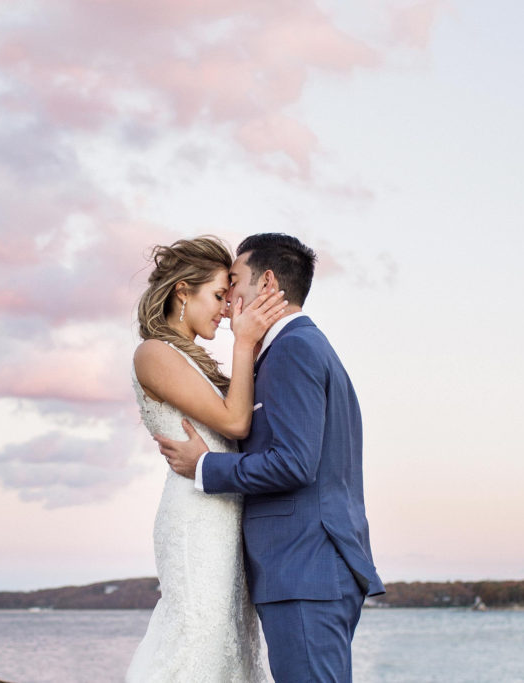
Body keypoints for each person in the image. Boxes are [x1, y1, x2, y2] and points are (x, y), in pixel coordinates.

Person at [156, 233, 385, 682]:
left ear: (267, 283)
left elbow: (295, 463)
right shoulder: (296, 348)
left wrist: (204, 467)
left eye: (234, 282)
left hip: (304, 568)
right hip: (310, 569)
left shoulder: (293, 349)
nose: (228, 303)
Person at [126, 235, 288, 682]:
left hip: (224, 515)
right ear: (183, 290)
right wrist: (244, 343)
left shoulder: (192, 360)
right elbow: (235, 424)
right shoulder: (154, 353)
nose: (226, 308)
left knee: (229, 643)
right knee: (197, 635)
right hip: (195, 519)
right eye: (219, 295)